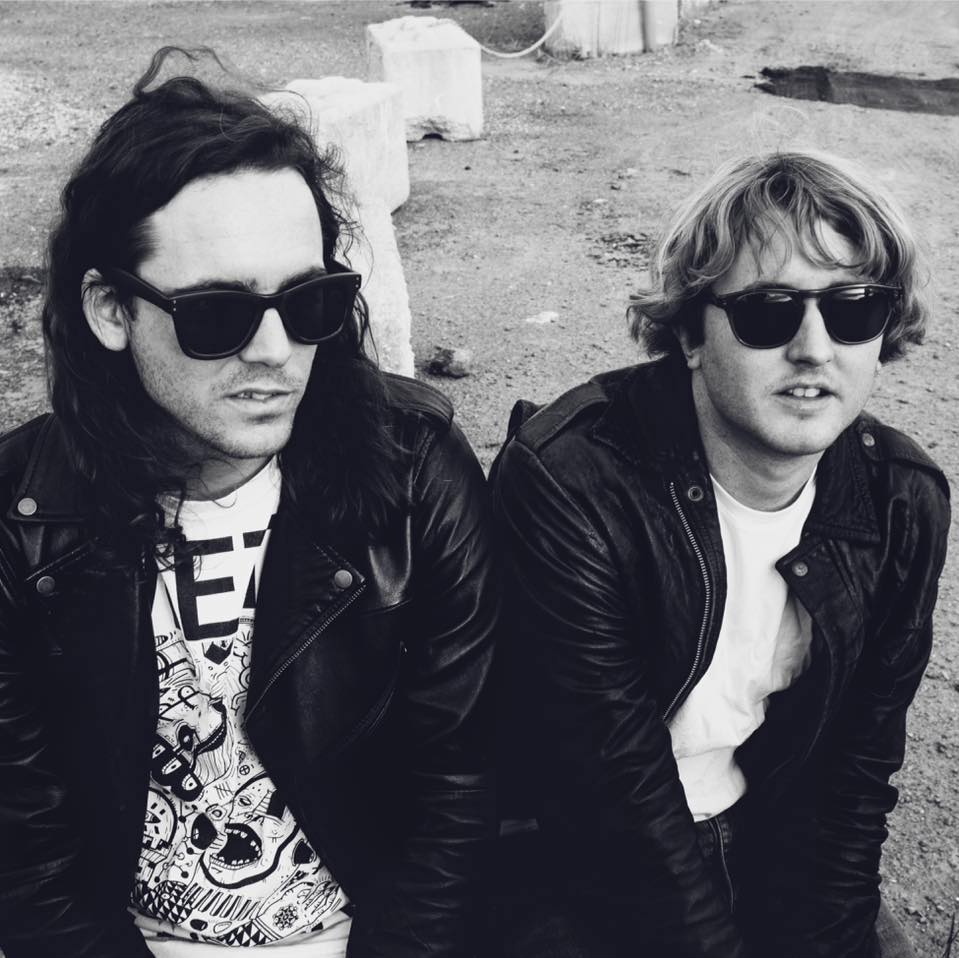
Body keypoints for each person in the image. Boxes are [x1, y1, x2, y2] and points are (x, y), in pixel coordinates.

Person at [0, 48, 497, 958]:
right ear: (110, 310)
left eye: (308, 303)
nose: (273, 351)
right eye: (217, 314)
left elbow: (459, 786)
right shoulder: (19, 516)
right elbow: (26, 855)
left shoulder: (414, 470)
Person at [490, 151, 950, 958]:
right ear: (689, 333)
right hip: (572, 853)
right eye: (768, 312)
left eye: (854, 308)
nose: (814, 348)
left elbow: (855, 767)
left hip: (769, 829)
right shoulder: (573, 480)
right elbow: (613, 790)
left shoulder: (897, 499)